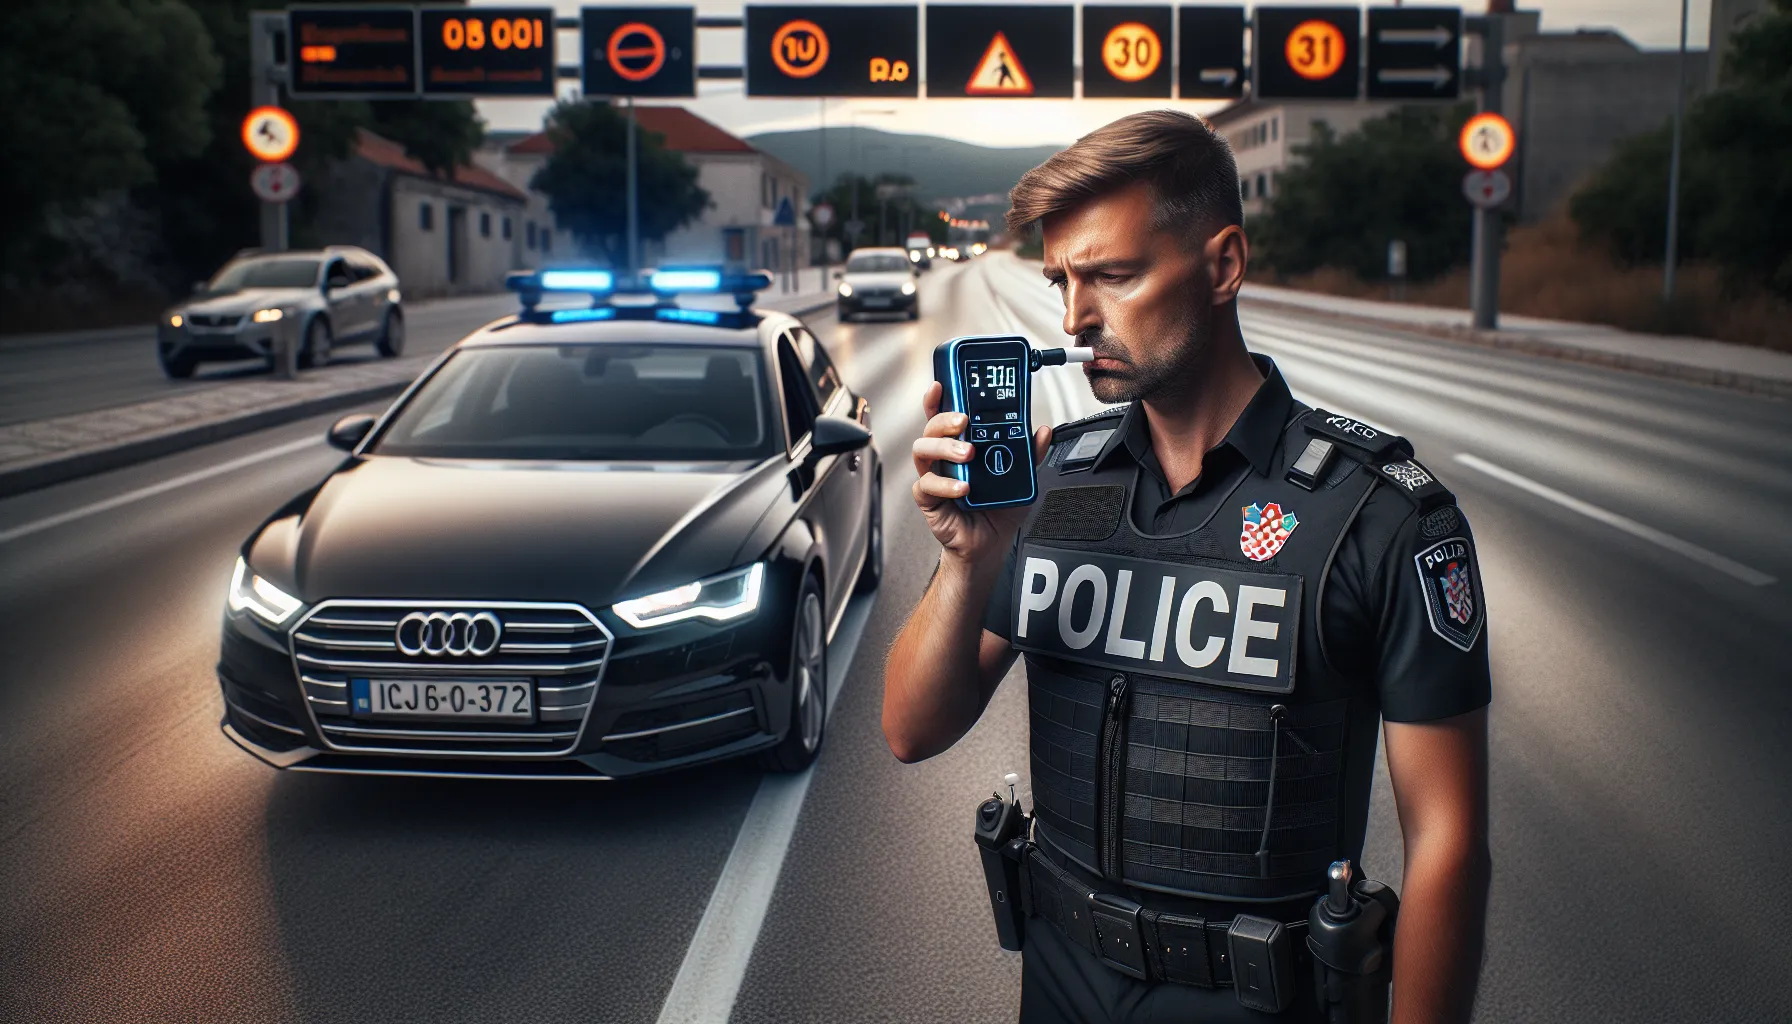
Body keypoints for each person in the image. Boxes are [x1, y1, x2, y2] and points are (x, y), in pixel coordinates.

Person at [882, 110, 1491, 1024]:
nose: (1078, 317)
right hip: (1059, 985)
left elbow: (1448, 842)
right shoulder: (1048, 487)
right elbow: (911, 730)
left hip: (1261, 1003)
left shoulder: (1383, 516)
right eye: (1063, 282)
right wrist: (968, 562)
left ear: (1223, 266)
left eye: (1113, 275)